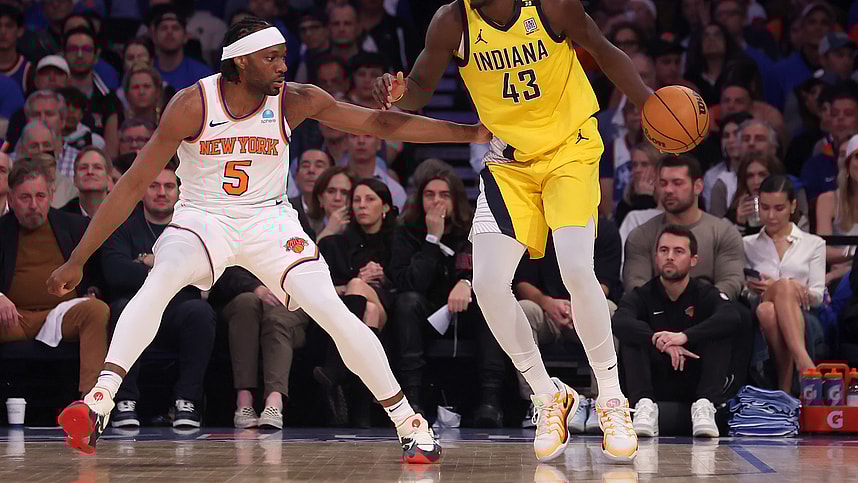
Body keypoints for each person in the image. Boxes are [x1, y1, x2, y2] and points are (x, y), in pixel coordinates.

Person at [48, 17, 490, 462]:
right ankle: (99, 402)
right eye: (272, 57)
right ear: (241, 61)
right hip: (204, 217)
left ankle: (410, 424)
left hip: (269, 221)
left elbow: (381, 125)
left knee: (332, 310)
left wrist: (469, 133)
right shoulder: (192, 104)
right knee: (161, 279)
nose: (283, 65)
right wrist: (78, 259)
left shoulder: (295, 99)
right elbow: (130, 185)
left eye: (283, 56)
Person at [374, 0, 653, 462]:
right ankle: (548, 395)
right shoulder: (452, 20)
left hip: (570, 150)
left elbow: (603, 49)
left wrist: (649, 102)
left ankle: (610, 396)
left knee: (575, 269)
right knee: (486, 285)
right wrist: (399, 92)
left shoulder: (551, 6)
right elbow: (420, 89)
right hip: (510, 163)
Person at [389, 170, 508, 427]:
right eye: (429, 195)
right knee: (406, 302)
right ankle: (413, 399)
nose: (437, 201)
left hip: (467, 312)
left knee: (490, 305)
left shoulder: (474, 229)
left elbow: (494, 272)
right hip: (426, 314)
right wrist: (432, 239)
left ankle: (491, 401)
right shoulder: (407, 232)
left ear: (456, 199)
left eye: (444, 195)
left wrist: (467, 283)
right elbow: (409, 283)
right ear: (420, 199)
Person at [102, 162, 216, 429]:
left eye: (168, 186)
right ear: (143, 190)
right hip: (136, 309)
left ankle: (187, 401)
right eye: (153, 186)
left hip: (178, 313)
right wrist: (174, 270)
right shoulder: (123, 227)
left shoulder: (193, 229)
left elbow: (207, 273)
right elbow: (116, 273)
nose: (161, 192)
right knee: (121, 308)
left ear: (179, 191)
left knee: (200, 312)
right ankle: (124, 401)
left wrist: (146, 262)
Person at [613, 225, 745, 438]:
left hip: (694, 375)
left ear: (693, 260)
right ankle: (643, 406)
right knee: (632, 335)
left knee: (720, 331)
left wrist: (684, 336)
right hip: (655, 376)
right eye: (664, 250)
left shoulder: (705, 293)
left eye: (678, 251)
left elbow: (732, 317)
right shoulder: (642, 294)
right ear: (656, 257)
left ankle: (705, 406)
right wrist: (656, 339)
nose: (670, 257)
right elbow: (620, 321)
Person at [0, 160, 109, 398]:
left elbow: (98, 273)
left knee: (97, 310)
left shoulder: (75, 226)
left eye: (40, 196)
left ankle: (91, 401)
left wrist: (92, 291)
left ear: (51, 195)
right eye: (25, 197)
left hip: (61, 315)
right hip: (13, 320)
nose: (33, 205)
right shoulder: (2, 230)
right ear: (10, 199)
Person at [743, 175, 826, 393]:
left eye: (779, 208)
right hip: (757, 308)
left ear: (792, 206)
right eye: (765, 207)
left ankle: (784, 387)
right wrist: (761, 288)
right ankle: (803, 361)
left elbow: (818, 296)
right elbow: (743, 290)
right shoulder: (747, 244)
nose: (771, 215)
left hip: (803, 314)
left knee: (770, 309)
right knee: (775, 295)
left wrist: (793, 289)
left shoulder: (814, 244)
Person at [624, 155, 745, 301]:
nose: (668, 190)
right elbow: (636, 282)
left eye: (677, 183)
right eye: (663, 183)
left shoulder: (724, 233)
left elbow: (731, 280)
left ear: (698, 186)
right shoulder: (641, 235)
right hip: (655, 309)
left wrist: (707, 305)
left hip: (710, 308)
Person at [307, 166, 354, 241]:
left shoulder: (362, 228)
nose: (337, 198)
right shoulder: (304, 226)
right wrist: (328, 231)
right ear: (320, 198)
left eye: (344, 193)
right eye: (331, 191)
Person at [61, 146, 111, 217]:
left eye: (97, 167)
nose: (90, 172)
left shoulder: (124, 213)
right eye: (83, 168)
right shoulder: (61, 217)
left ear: (109, 178)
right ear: (74, 179)